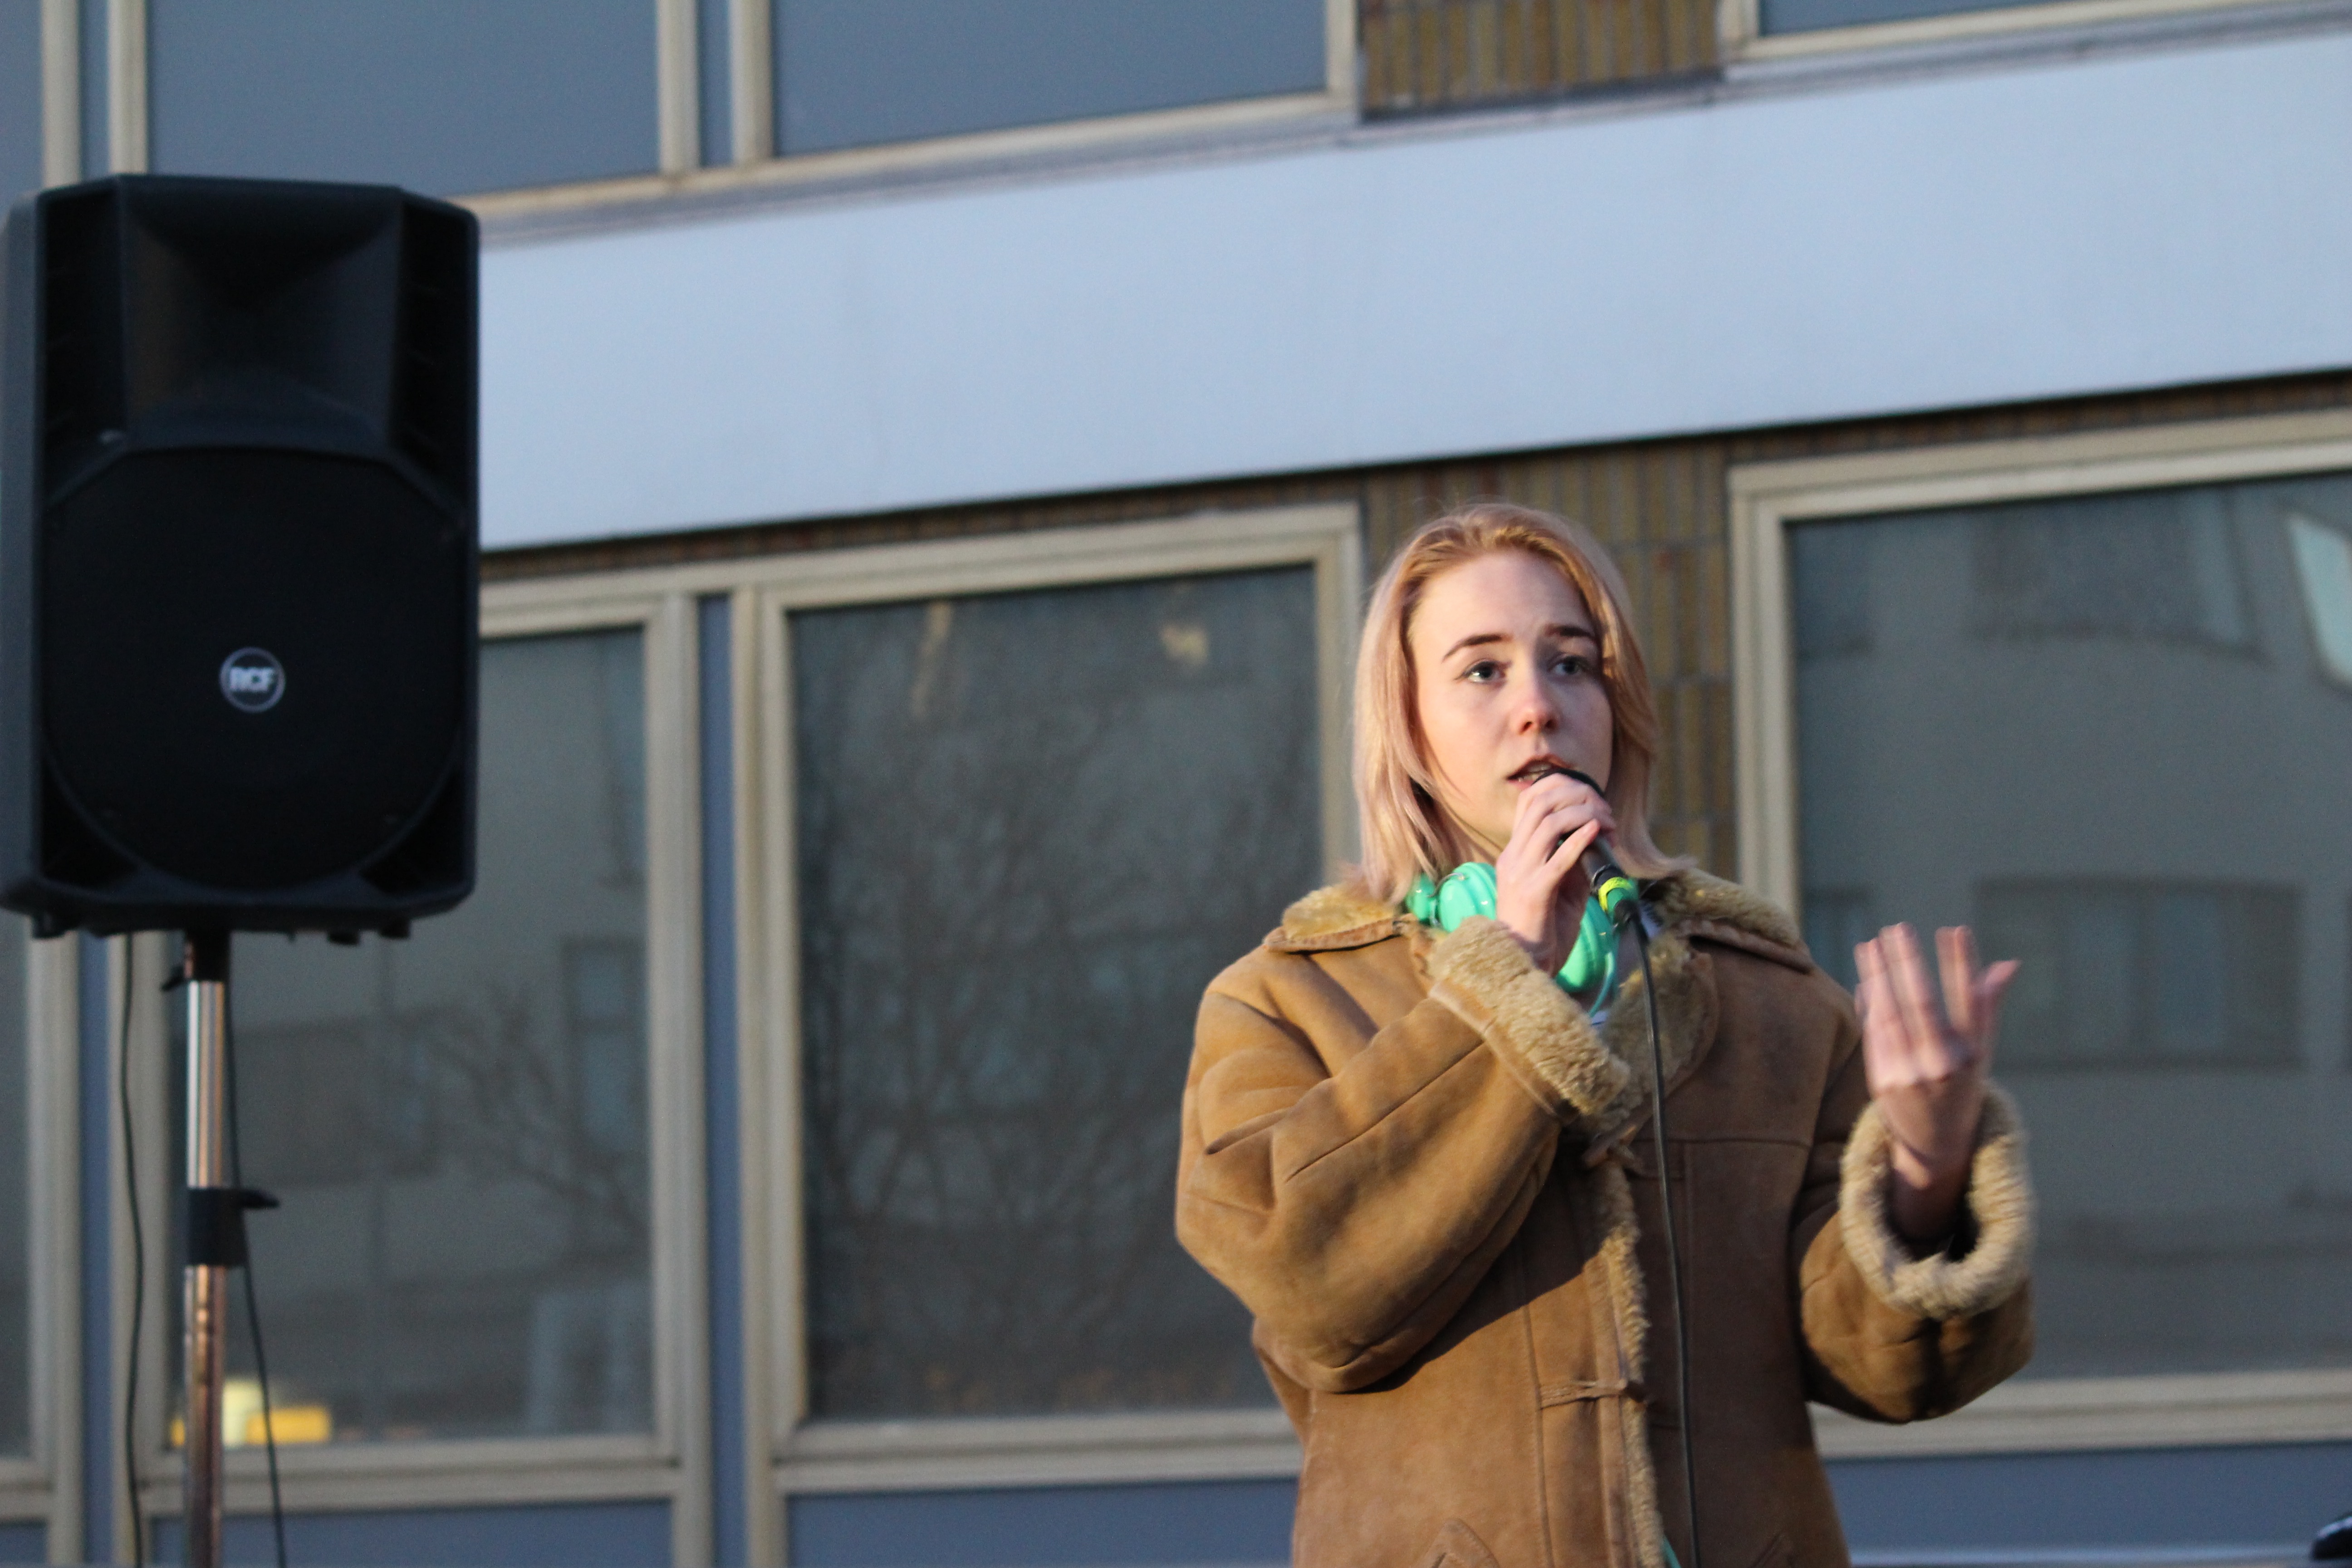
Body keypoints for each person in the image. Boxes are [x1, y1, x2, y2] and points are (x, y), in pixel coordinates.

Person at [1175, 503, 2034, 1568]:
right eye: (1482, 673)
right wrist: (1506, 980)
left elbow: (1889, 1371)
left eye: (1572, 665)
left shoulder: (1769, 999)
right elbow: (1316, 1301)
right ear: (1408, 721)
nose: (1537, 707)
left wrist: (1926, 1169)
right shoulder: (1286, 1002)